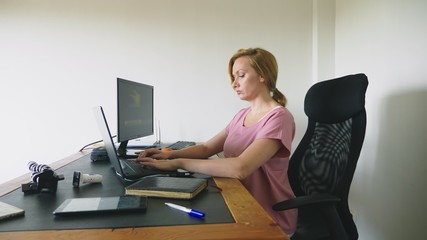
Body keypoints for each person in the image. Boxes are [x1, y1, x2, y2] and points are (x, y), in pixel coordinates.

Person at [137, 47, 297, 234]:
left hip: (268, 217)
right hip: (238, 201)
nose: (234, 83)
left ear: (263, 75)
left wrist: (178, 163)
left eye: (241, 75)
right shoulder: (242, 115)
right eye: (233, 77)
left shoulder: (279, 118)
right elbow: (206, 148)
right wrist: (168, 155)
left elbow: (240, 168)